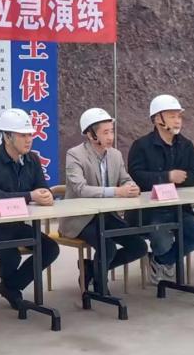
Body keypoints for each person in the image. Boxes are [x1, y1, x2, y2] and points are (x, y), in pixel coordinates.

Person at [0, 108, 62, 309]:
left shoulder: (32, 159)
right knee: (11, 253)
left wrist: (46, 195)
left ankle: (10, 286)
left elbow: (42, 187)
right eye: (22, 135)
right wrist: (30, 196)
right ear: (7, 137)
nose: (28, 140)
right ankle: (11, 289)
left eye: (30, 134)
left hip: (16, 224)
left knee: (50, 248)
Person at [60, 108, 149, 292]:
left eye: (111, 131)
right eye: (105, 132)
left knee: (139, 246)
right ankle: (100, 287)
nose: (110, 137)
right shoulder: (75, 154)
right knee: (107, 246)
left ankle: (92, 269)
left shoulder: (115, 155)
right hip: (80, 219)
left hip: (107, 216)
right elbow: (80, 189)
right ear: (91, 134)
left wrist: (132, 186)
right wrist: (117, 191)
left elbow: (125, 179)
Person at [127, 95, 194, 284]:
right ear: (158, 119)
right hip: (149, 211)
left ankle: (161, 260)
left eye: (179, 116)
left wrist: (180, 180)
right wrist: (167, 177)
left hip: (178, 208)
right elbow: (136, 176)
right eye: (172, 116)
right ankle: (163, 262)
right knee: (162, 239)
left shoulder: (186, 145)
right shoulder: (141, 146)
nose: (177, 120)